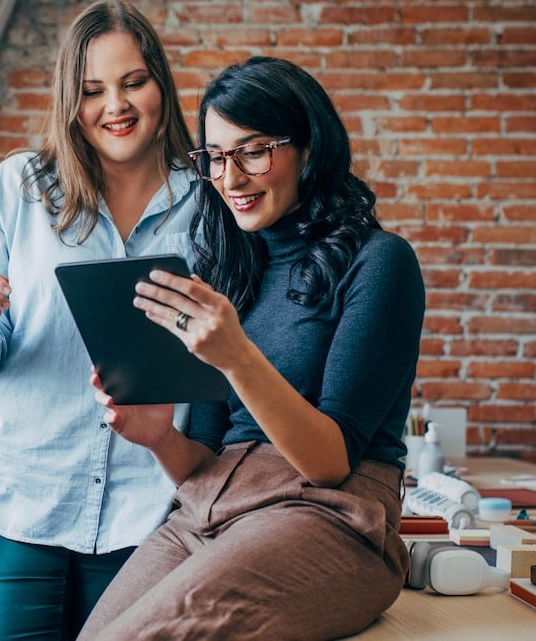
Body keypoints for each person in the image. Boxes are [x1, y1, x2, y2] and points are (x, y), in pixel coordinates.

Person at [78, 56, 426, 640]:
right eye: (215, 156)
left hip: (328, 515)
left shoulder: (380, 262)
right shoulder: (229, 276)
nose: (230, 178)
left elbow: (330, 463)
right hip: (209, 509)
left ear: (309, 148)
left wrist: (236, 356)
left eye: (254, 150)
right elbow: (205, 463)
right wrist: (160, 437)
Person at [0, 1, 200, 638]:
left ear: (159, 82)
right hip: (15, 491)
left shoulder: (209, 205)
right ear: (68, 101)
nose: (117, 106)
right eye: (92, 91)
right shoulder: (18, 189)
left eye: (133, 82)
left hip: (151, 507)